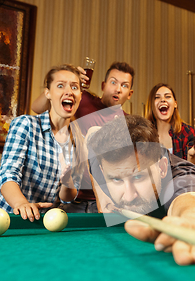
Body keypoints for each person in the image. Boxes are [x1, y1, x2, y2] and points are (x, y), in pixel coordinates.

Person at [88, 115, 195, 266]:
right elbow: (91, 135)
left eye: (138, 177)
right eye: (116, 180)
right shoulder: (104, 160)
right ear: (103, 171)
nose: (129, 196)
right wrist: (100, 193)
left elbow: (190, 200)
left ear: (162, 168)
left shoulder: (181, 174)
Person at [32, 61, 135, 213]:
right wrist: (72, 81)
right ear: (103, 85)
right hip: (69, 196)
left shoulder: (128, 124)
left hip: (104, 201)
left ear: (130, 94)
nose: (118, 89)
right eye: (113, 82)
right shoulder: (82, 99)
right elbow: (37, 108)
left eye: (124, 85)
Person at [0, 65, 83, 221]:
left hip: (43, 225)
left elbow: (67, 197)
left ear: (80, 95)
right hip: (4, 219)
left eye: (74, 87)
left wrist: (68, 179)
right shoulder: (26, 124)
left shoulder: (78, 141)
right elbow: (7, 176)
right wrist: (22, 203)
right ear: (48, 93)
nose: (69, 91)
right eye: (60, 85)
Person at [145, 83, 195, 160]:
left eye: (168, 96)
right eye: (157, 97)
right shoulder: (144, 135)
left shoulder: (187, 132)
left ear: (175, 104)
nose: (163, 100)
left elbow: (191, 169)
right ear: (152, 105)